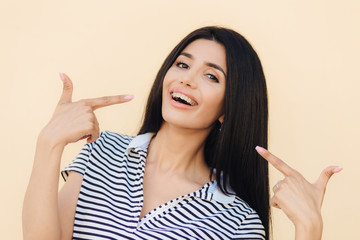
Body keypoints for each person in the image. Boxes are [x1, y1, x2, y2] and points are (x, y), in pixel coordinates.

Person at [22, 26, 341, 240]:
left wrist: (309, 229)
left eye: (212, 77)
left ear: (229, 107)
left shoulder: (237, 220)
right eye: (183, 65)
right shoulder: (103, 150)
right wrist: (48, 144)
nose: (187, 80)